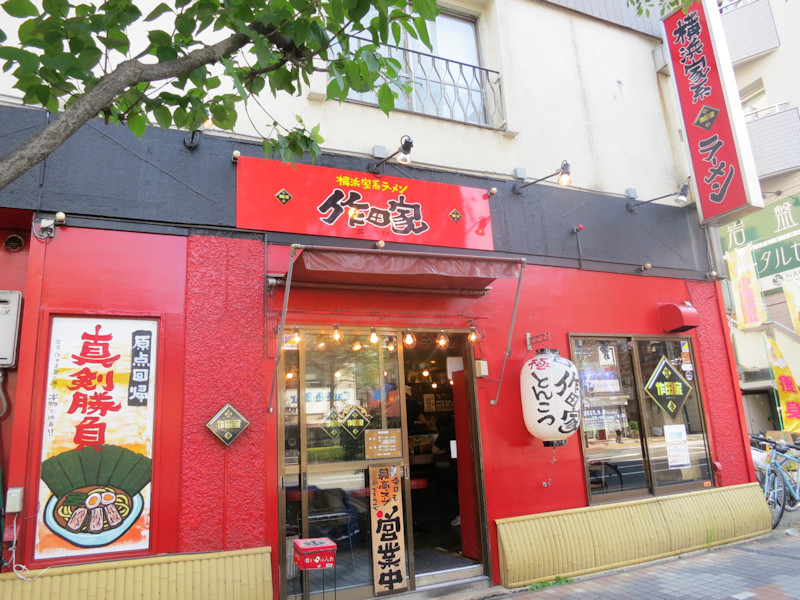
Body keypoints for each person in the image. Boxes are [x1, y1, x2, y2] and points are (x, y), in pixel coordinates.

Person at [432, 414, 460, 526]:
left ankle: (460, 513)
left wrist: (445, 450)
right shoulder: (463, 426)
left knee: (443, 487)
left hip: (454, 465)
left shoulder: (446, 431)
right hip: (467, 464)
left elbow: (434, 450)